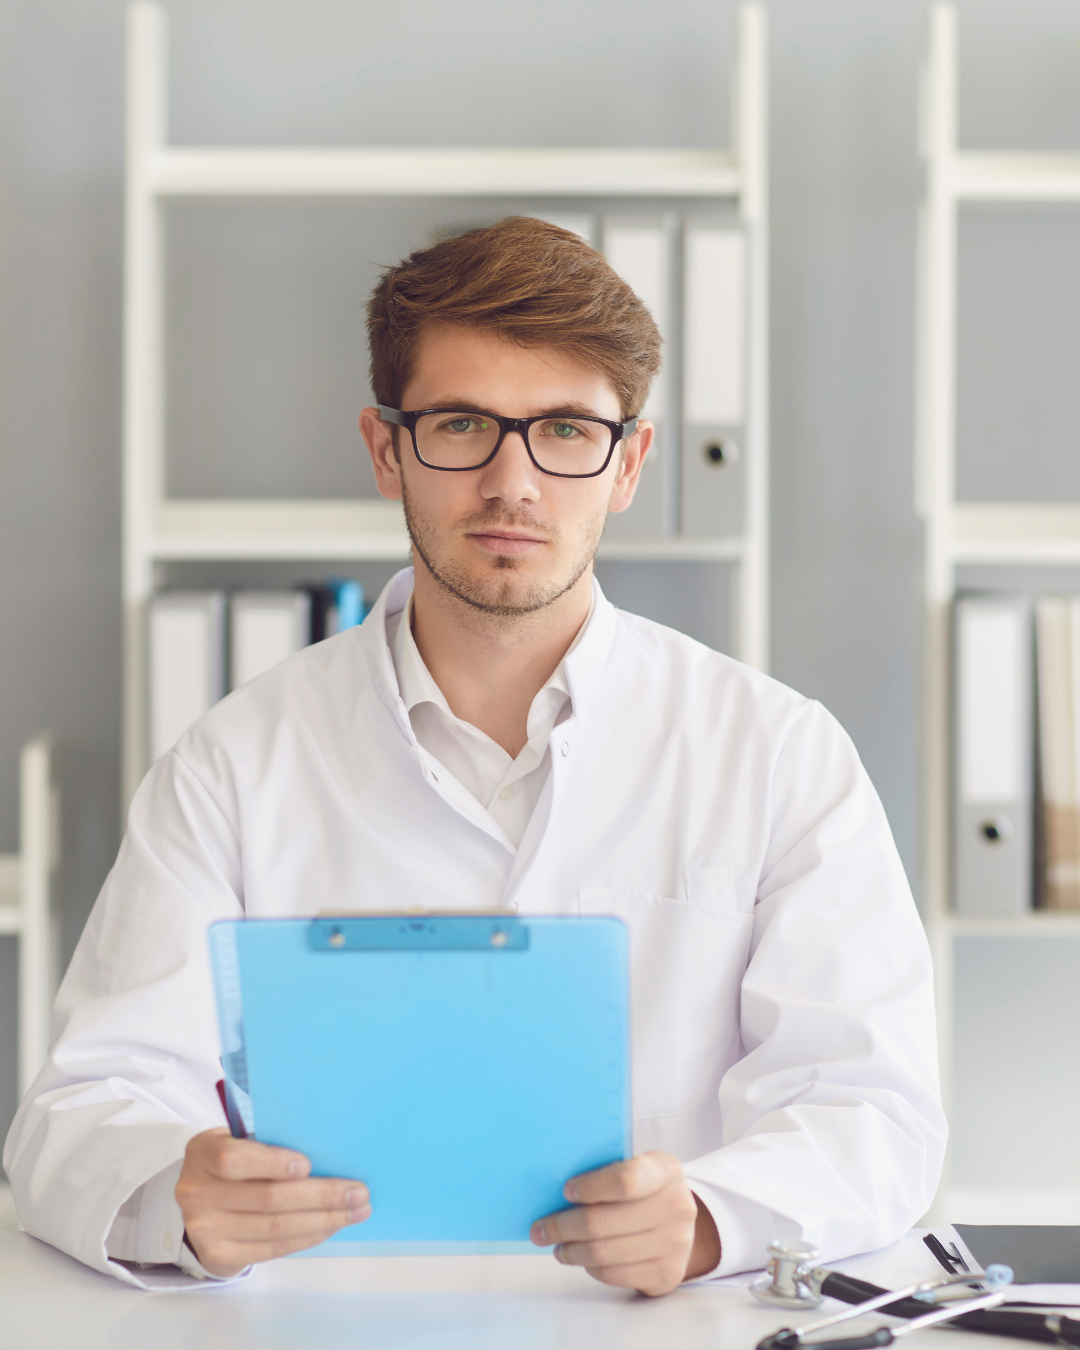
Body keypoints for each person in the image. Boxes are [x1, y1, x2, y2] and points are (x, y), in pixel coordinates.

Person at [3, 217, 946, 1295]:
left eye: (565, 431)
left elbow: (875, 1108)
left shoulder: (779, 754)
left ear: (628, 461)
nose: (514, 482)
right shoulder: (232, 763)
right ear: (385, 448)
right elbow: (74, 1118)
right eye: (460, 425)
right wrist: (175, 1192)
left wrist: (708, 1221)